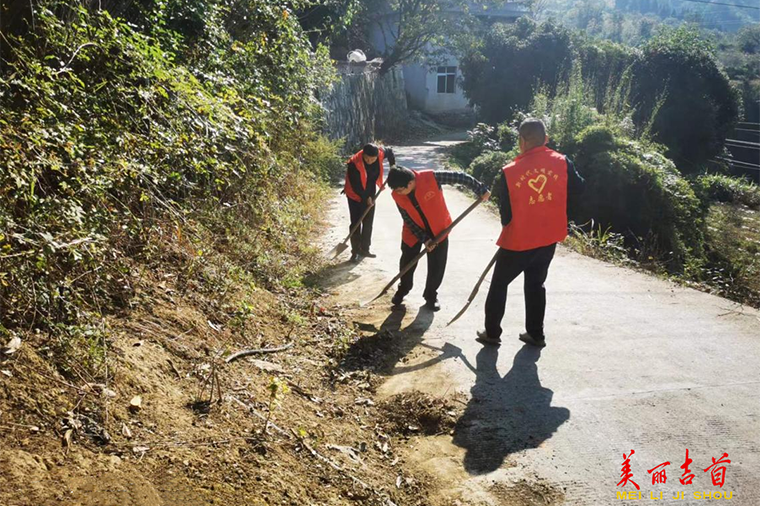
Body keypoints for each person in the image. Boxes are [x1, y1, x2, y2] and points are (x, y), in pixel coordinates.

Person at [477, 118, 584, 347]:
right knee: (536, 284)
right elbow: (578, 189)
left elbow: (505, 213)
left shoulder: (510, 171)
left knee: (499, 284)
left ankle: (492, 333)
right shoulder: (564, 162)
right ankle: (536, 334)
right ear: (545, 139)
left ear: (522, 141)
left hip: (518, 239)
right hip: (549, 237)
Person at [387, 166, 490, 311]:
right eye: (396, 190)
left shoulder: (430, 177)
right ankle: (403, 289)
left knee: (437, 264)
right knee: (407, 262)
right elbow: (407, 219)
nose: (398, 193)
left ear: (410, 183)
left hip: (439, 229)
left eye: (400, 190)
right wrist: (424, 238)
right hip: (413, 230)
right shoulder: (397, 195)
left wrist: (481, 190)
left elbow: (461, 178)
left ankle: (431, 296)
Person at [344, 143, 396, 262]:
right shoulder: (354, 163)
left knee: (368, 220)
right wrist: (365, 197)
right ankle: (355, 251)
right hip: (355, 194)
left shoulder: (380, 153)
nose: (370, 161)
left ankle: (365, 249)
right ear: (363, 154)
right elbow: (356, 185)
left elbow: (390, 151)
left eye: (373, 159)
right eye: (367, 158)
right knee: (356, 222)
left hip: (370, 190)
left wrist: (393, 167)